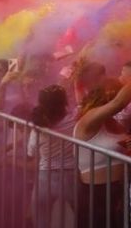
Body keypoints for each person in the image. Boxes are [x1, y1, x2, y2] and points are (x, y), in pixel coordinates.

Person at [74, 58, 131, 227]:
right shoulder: (88, 119)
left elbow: (121, 141)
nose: (117, 96)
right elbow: (120, 102)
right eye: (114, 93)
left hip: (119, 190)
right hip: (97, 194)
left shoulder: (111, 121)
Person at [27, 85, 77, 228]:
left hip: (45, 177)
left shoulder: (37, 126)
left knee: (41, 221)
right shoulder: (73, 120)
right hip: (71, 176)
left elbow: (31, 152)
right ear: (64, 102)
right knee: (80, 218)